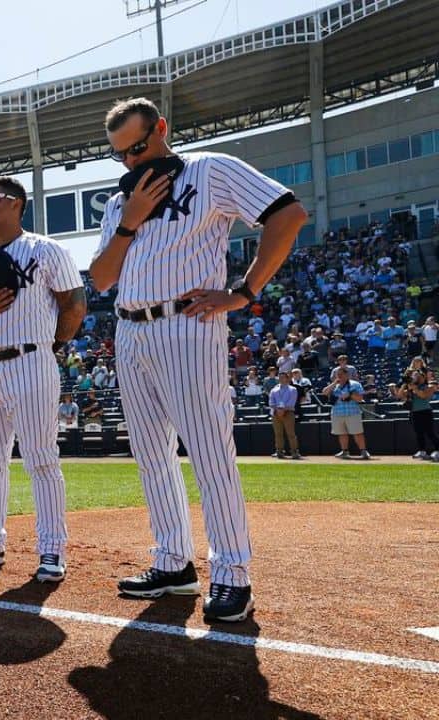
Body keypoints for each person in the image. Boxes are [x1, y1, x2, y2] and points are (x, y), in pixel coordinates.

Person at [89, 97, 307, 622]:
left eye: (138, 147)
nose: (132, 162)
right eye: (121, 155)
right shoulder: (121, 203)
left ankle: (232, 573)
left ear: (161, 128)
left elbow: (288, 215)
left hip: (187, 324)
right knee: (151, 455)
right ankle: (173, 563)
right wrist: (129, 222)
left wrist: (245, 291)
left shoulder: (209, 170)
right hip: (131, 328)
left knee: (209, 452)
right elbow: (99, 279)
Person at [0, 175, 85, 578]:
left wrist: (50, 347)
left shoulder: (46, 250)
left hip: (30, 361)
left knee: (41, 459)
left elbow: (74, 305)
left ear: (17, 204)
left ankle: (51, 549)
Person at [323, 367, 370, 460]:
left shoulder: (355, 384)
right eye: (338, 374)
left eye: (341, 374)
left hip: (352, 412)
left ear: (347, 375)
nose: (339, 376)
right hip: (337, 413)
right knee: (341, 433)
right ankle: (344, 451)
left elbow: (360, 398)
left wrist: (350, 394)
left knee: (357, 433)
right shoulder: (334, 385)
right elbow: (324, 392)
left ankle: (363, 451)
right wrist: (333, 383)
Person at [393, 370, 439, 461]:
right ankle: (422, 451)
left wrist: (414, 388)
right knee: (419, 433)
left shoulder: (429, 386)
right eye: (414, 376)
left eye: (418, 376)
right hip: (414, 412)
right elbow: (399, 395)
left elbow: (423, 396)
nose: (416, 377)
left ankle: (438, 450)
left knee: (430, 433)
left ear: (423, 377)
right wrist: (404, 384)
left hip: (425, 411)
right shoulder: (411, 388)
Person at [268, 371, 301, 459]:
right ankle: (279, 451)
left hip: (288, 413)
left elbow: (292, 402)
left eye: (283, 377)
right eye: (279, 377)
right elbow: (271, 402)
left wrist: (283, 410)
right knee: (278, 434)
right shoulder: (273, 390)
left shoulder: (293, 389)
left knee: (291, 433)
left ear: (287, 378)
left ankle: (294, 452)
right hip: (276, 413)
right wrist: (277, 409)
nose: (281, 379)